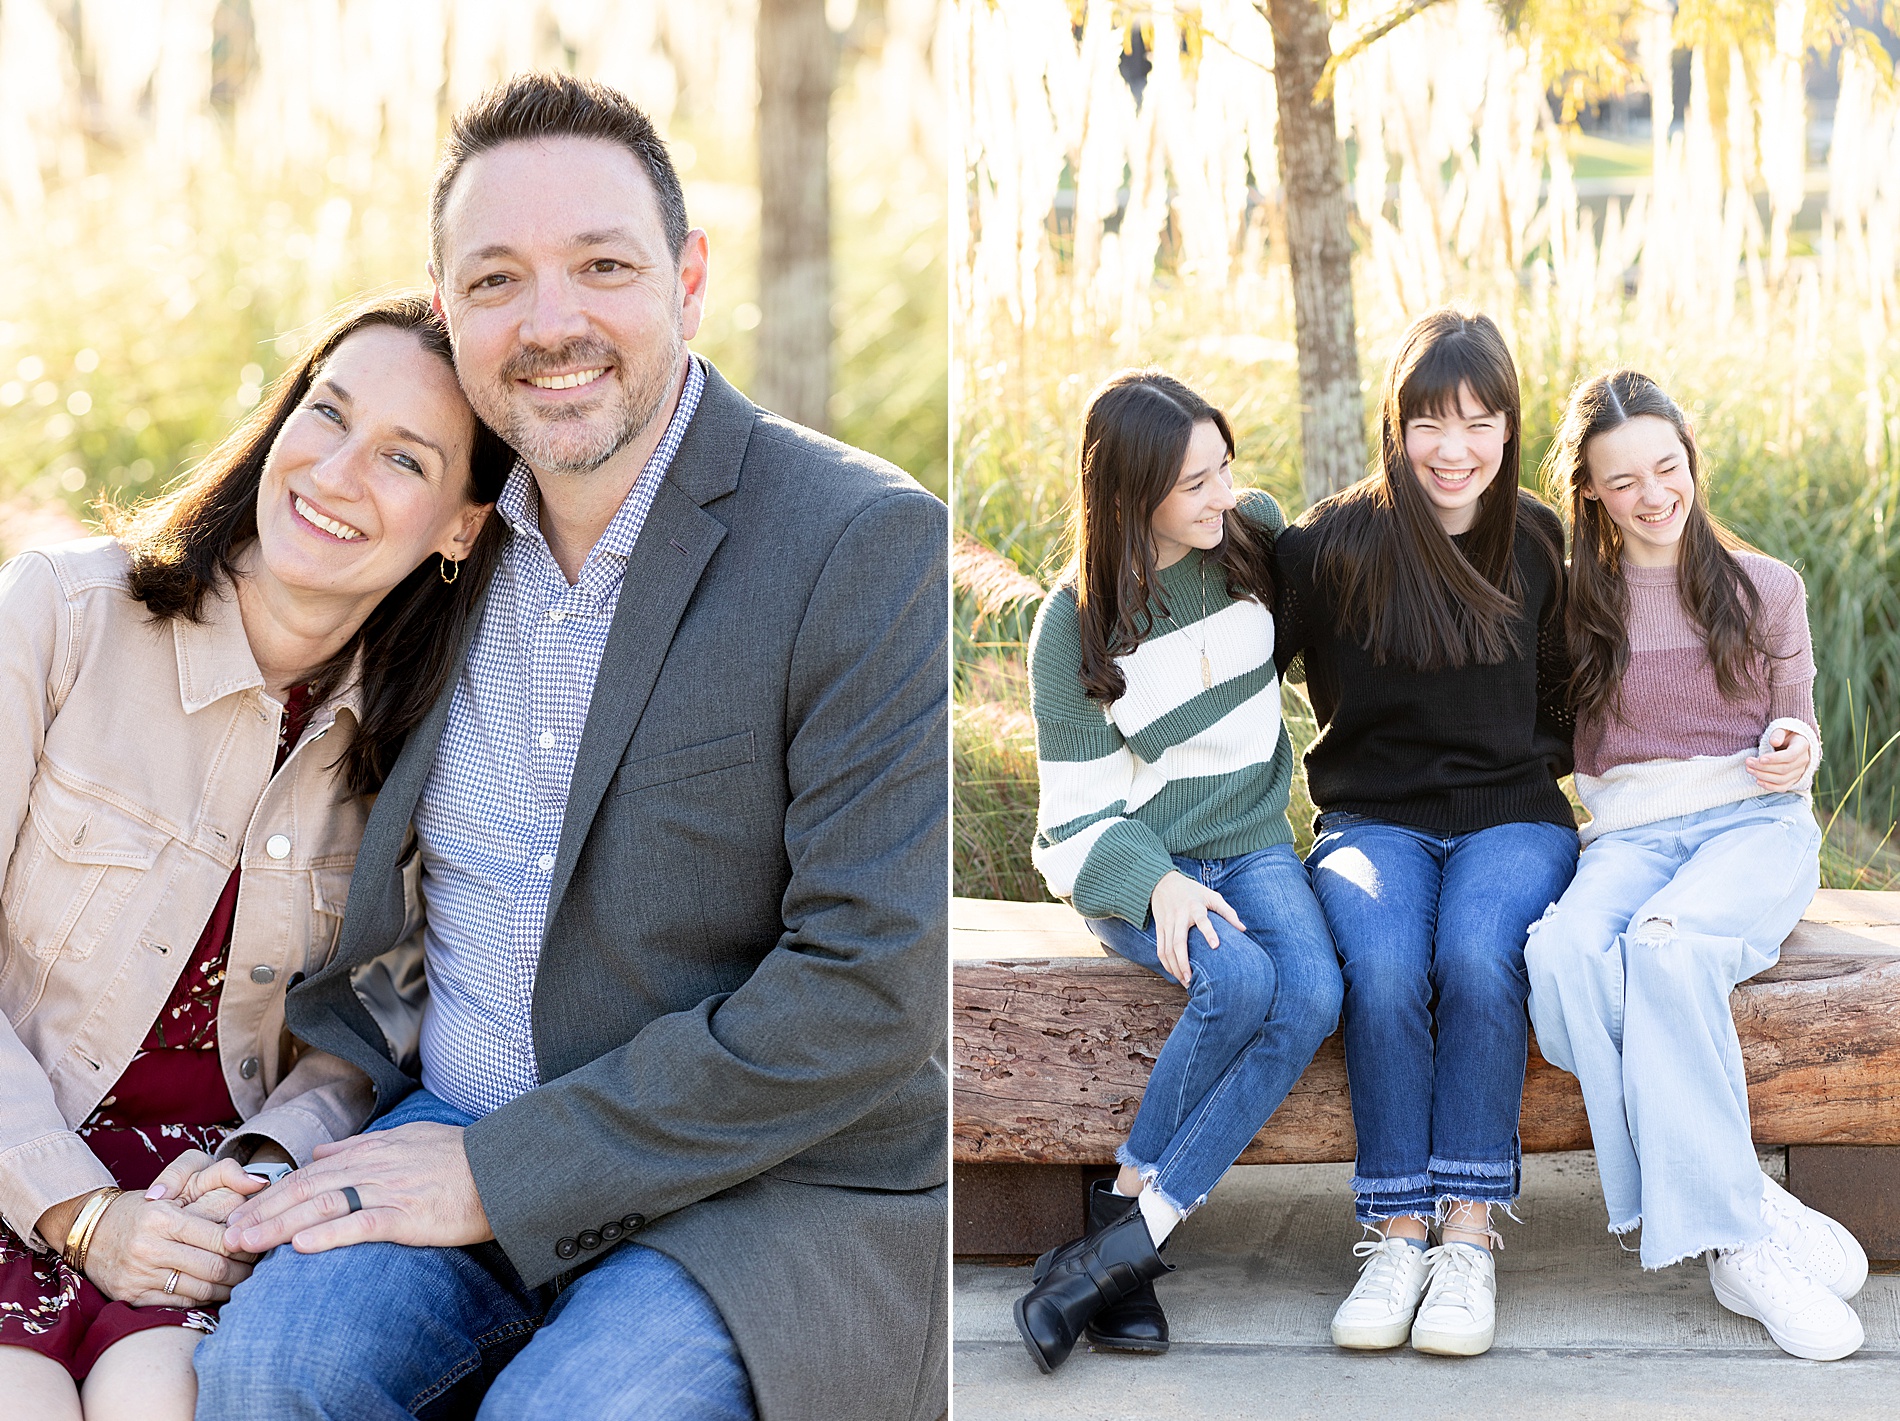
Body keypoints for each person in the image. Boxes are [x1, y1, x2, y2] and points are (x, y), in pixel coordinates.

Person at [191, 74, 948, 1421]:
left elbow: (869, 992)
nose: (551, 326)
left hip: (748, 1191)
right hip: (448, 1123)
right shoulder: (438, 539)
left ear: (688, 278)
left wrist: (507, 1176)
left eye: (602, 267)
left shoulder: (857, 543)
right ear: (446, 306)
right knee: (268, 1370)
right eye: (496, 281)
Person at [0, 295, 508, 1421]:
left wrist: (266, 1171)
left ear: (460, 526)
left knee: (163, 1404)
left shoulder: (431, 752)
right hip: (12, 1152)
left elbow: (379, 1026)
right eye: (324, 415)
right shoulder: (59, 618)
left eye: (402, 458)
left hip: (205, 1199)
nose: (333, 473)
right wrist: (78, 1210)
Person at [1525, 369, 1865, 1360]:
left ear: (1690, 460)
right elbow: (1548, 737)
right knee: (1561, 959)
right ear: (1588, 488)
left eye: (1665, 467)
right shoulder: (1573, 605)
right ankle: (1739, 1194)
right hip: (1628, 836)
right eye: (1621, 479)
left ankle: (1731, 1246)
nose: (1651, 494)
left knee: (1666, 951)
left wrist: (1791, 744)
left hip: (1748, 828)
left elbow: (1794, 722)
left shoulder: (1765, 586)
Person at [1012, 372, 1343, 1373]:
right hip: (1140, 862)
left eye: (1223, 468)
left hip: (1252, 845)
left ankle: (1121, 1236)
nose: (1221, 496)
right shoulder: (1073, 624)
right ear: (1129, 493)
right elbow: (1074, 815)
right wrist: (1154, 884)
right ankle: (1125, 1250)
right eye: (1193, 483)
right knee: (1239, 980)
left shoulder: (1251, 539)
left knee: (1314, 991)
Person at [1273, 307, 1578, 1358]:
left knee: (1477, 955)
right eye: (1429, 423)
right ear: (1393, 424)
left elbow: (1568, 695)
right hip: (1369, 823)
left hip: (1513, 817)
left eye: (1478, 421)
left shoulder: (1535, 537)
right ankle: (1395, 1228)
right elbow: (1223, 668)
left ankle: (1466, 1234)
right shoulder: (1327, 544)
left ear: (1507, 424)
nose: (1453, 450)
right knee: (1389, 962)